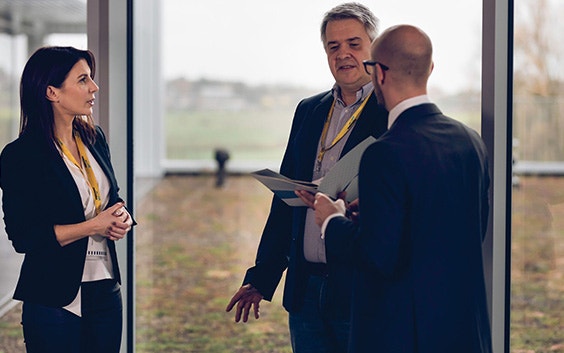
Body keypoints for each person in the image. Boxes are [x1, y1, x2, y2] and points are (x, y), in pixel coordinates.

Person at [313, 25, 493, 352]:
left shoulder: (384, 152)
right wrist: (376, 216)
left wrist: (332, 220)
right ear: (430, 69)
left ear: (379, 73)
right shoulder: (470, 141)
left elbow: (377, 257)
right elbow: (461, 231)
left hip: (403, 335)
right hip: (463, 332)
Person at [226, 3, 388, 353]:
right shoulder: (309, 110)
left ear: (374, 48)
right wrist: (262, 277)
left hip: (361, 292)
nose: (343, 54)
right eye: (333, 46)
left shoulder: (390, 113)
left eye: (354, 44)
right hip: (306, 293)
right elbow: (285, 205)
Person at [0, 46, 134, 353]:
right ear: (51, 92)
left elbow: (112, 197)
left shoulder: (94, 137)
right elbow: (24, 237)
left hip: (105, 288)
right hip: (53, 297)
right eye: (83, 80)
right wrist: (92, 226)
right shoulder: (20, 156)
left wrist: (122, 218)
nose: (94, 87)